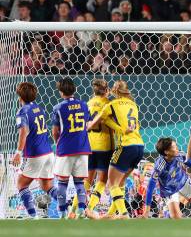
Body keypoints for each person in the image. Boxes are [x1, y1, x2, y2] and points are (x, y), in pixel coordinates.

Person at [87, 80, 144, 219]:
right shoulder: (134, 105)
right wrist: (116, 126)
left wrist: (90, 124)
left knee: (112, 183)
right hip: (139, 146)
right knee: (120, 183)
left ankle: (123, 214)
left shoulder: (112, 105)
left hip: (125, 146)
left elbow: (93, 124)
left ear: (114, 91)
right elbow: (135, 125)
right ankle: (111, 213)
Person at [11, 82, 58, 219]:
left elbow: (23, 132)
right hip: (48, 153)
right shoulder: (39, 108)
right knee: (47, 186)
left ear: (19, 96)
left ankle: (32, 216)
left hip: (35, 154)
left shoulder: (22, 111)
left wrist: (18, 153)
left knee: (21, 184)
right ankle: (66, 206)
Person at [51, 78, 92, 219]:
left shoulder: (58, 108)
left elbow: (55, 131)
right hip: (82, 148)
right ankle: (81, 212)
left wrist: (58, 142)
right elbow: (89, 124)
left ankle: (62, 213)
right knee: (79, 182)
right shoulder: (84, 105)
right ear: (74, 90)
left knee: (62, 182)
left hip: (65, 149)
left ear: (61, 92)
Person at [144, 137, 191, 219]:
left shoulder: (180, 154)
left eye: (176, 146)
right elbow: (150, 188)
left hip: (183, 183)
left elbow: (189, 162)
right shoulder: (159, 166)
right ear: (166, 152)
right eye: (174, 147)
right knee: (177, 218)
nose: (177, 149)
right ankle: (167, 212)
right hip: (170, 190)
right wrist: (147, 211)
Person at [83, 79, 113, 216]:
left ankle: (77, 209)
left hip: (89, 145)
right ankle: (91, 207)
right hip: (104, 146)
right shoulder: (108, 104)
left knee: (87, 180)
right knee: (102, 180)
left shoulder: (87, 104)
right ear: (106, 90)